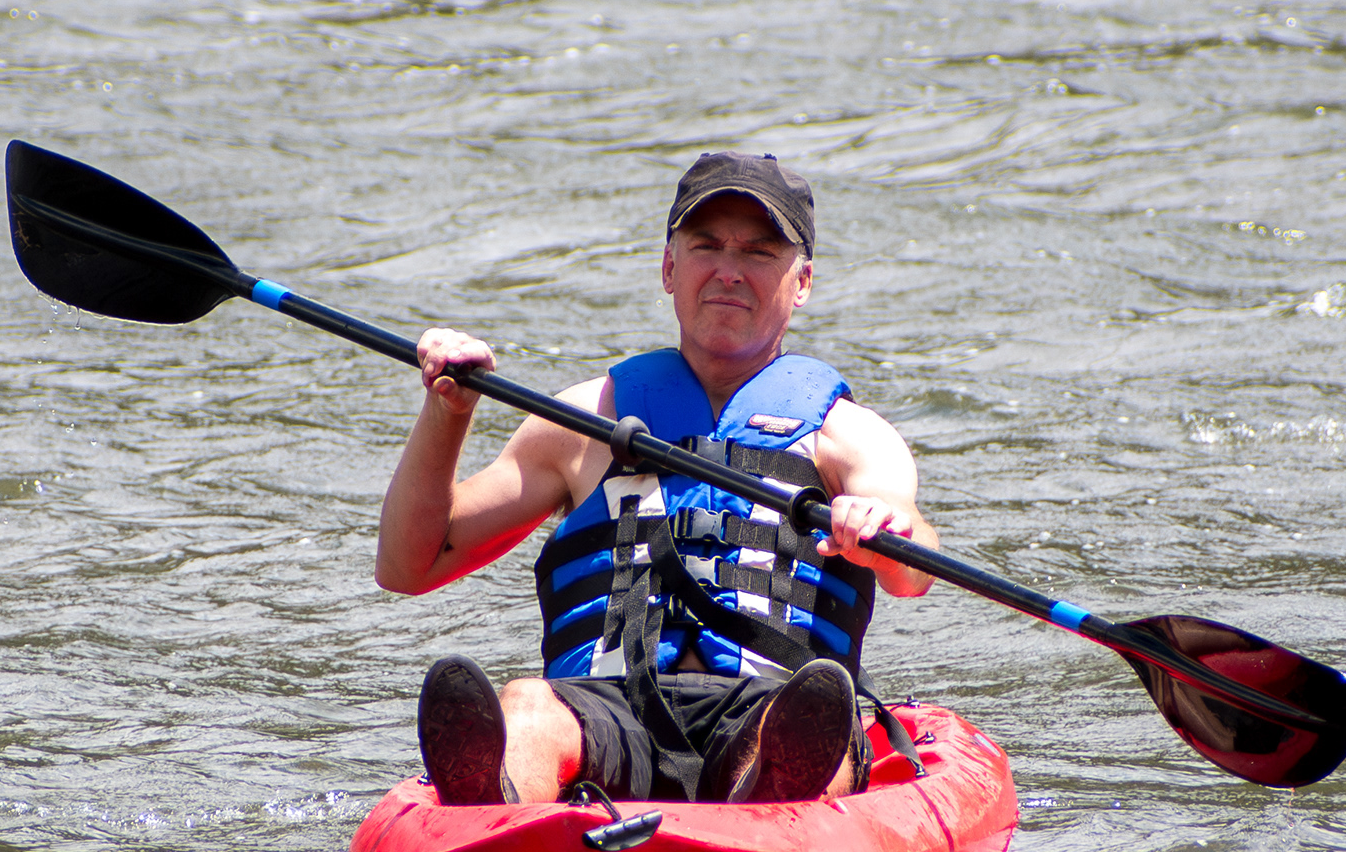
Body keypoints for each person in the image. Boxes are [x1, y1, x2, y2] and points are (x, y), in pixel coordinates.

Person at [376, 152, 932, 809]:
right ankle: (493, 801)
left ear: (802, 281)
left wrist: (880, 531)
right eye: (705, 246)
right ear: (670, 267)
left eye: (758, 252)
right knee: (526, 704)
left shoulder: (849, 437)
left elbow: (911, 567)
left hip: (768, 705)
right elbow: (411, 563)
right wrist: (448, 410)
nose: (728, 271)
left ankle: (771, 789)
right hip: (605, 709)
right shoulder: (584, 420)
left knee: (810, 728)